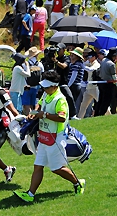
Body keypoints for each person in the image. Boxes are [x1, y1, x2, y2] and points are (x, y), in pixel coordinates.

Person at [14, 71, 86, 203]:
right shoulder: (47, 94)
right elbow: (40, 104)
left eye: (47, 87)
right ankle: (30, 194)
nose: (44, 89)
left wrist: (44, 115)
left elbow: (62, 117)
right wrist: (35, 112)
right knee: (38, 165)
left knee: (57, 169)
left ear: (54, 86)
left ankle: (78, 183)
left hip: (56, 138)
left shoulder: (60, 99)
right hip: (44, 137)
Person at [95, 48, 117, 117]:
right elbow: (114, 76)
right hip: (109, 85)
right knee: (106, 101)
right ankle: (101, 114)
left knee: (101, 99)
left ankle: (97, 113)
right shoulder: (111, 64)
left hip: (102, 83)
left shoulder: (103, 60)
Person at [77, 50, 101, 119]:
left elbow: (91, 70)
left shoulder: (96, 64)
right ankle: (79, 118)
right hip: (88, 88)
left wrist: (82, 66)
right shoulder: (89, 63)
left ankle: (110, 116)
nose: (88, 58)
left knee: (101, 103)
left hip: (95, 88)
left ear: (94, 57)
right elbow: (84, 63)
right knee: (83, 105)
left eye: (90, 57)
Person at [22, 47, 44, 115]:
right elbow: (42, 73)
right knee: (33, 103)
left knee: (26, 104)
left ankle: (28, 116)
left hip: (27, 86)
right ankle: (33, 116)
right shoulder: (40, 64)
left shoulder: (25, 64)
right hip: (36, 86)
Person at [67, 47, 85, 117]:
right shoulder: (77, 63)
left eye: (73, 55)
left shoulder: (77, 64)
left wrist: (68, 86)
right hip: (75, 85)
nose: (71, 56)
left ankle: (72, 115)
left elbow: (73, 76)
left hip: (74, 85)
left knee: (71, 101)